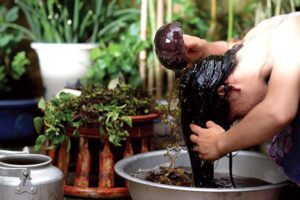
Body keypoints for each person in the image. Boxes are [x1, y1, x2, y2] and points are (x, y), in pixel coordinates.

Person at [183, 12, 300, 185]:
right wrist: (207, 48)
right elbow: (234, 48)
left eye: (237, 116)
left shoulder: (291, 34)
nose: (245, 118)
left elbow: (277, 111)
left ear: (225, 90)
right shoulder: (258, 38)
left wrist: (221, 143)